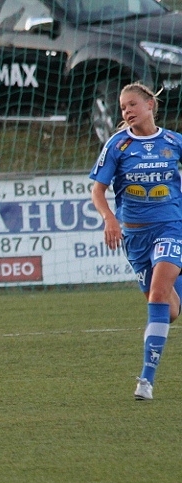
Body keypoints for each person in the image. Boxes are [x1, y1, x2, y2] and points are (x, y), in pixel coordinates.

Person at [90, 82, 182, 400]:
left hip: (170, 229)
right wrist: (109, 218)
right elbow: (98, 190)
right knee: (169, 310)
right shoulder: (118, 145)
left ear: (149, 105)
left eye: (132, 105)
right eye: (122, 107)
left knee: (158, 294)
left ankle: (146, 380)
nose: (127, 111)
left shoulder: (173, 142)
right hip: (135, 237)